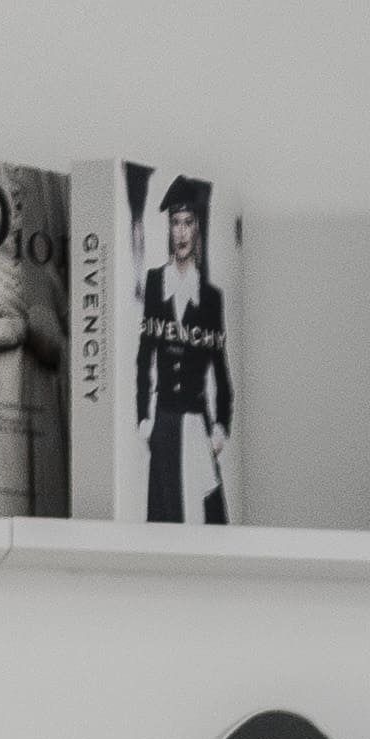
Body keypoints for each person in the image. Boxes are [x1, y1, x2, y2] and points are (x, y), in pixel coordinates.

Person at [135, 178, 232, 524]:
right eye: (175, 223)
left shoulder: (210, 298)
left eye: (188, 223)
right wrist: (143, 418)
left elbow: (220, 367)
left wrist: (220, 425)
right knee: (165, 520)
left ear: (197, 228)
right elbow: (145, 356)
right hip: (164, 421)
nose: (181, 232)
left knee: (207, 520)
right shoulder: (155, 283)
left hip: (196, 421)